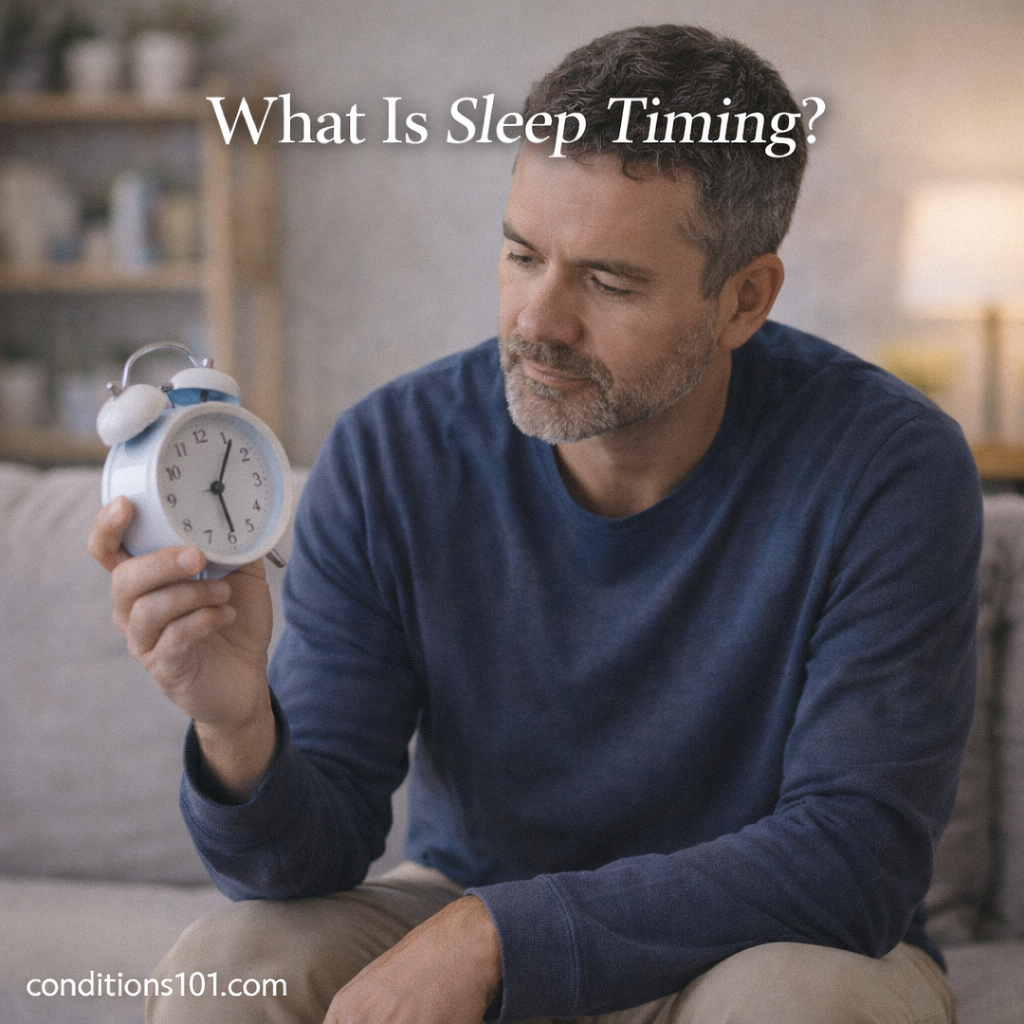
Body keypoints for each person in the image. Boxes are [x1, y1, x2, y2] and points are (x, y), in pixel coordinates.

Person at [89, 24, 980, 1024]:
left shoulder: (887, 464)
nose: (536, 322)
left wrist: (498, 937)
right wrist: (235, 723)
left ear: (743, 299)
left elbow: (853, 857)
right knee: (227, 965)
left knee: (796, 1005)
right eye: (521, 254)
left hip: (770, 938)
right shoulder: (393, 450)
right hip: (470, 900)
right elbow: (314, 853)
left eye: (607, 281)